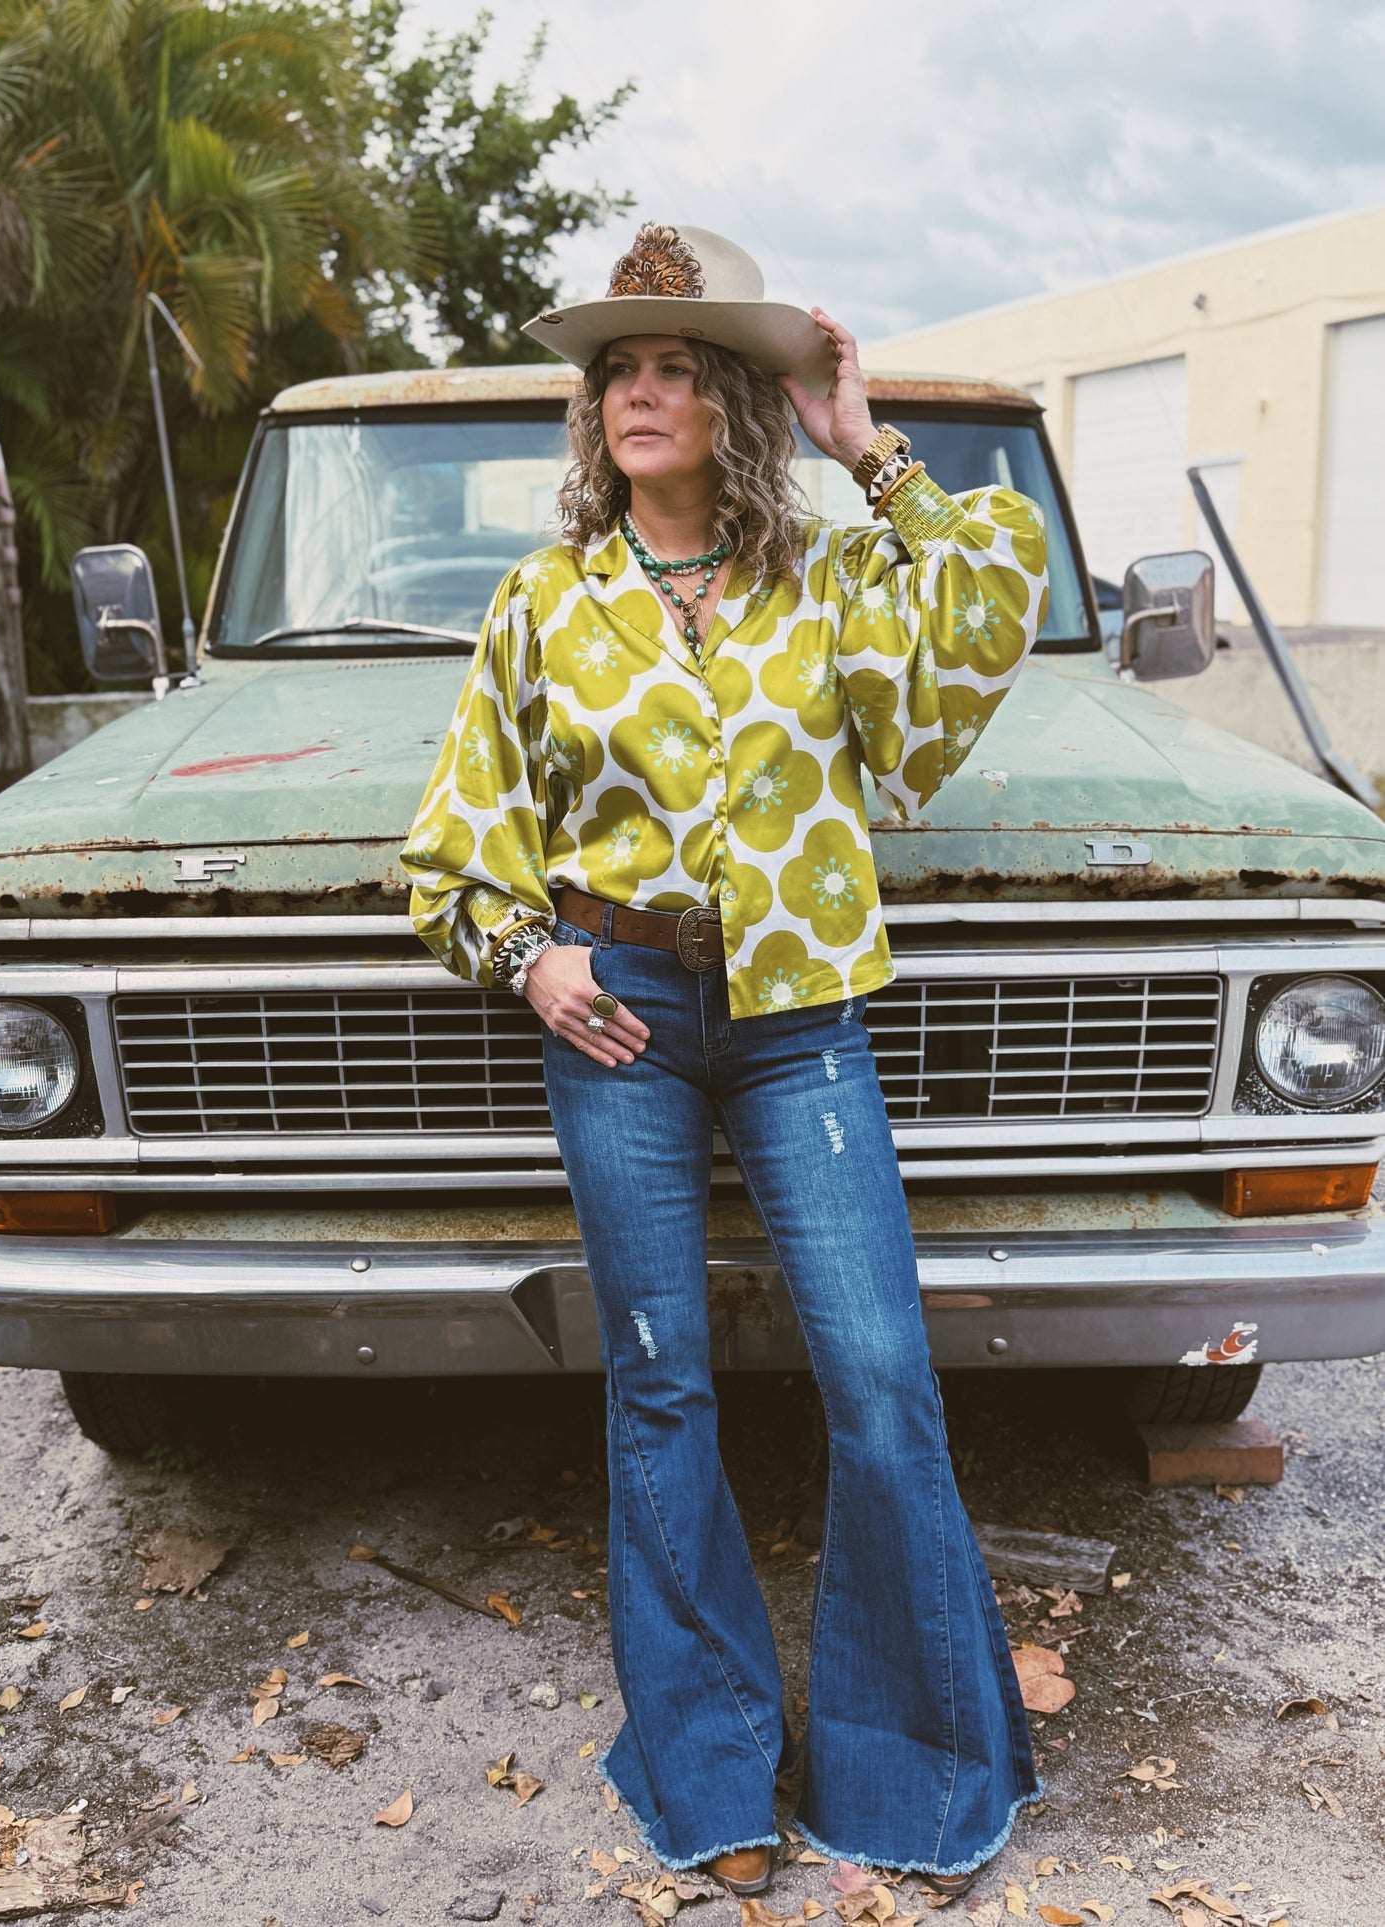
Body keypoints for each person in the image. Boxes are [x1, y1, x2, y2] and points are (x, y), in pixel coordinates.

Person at [402, 223, 1049, 1900]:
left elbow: (989, 610)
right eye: (618, 368)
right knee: (659, 1382)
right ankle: (709, 1774)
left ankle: (910, 1773)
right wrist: (527, 955)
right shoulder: (544, 598)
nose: (639, 392)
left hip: (797, 1023)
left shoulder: (824, 577)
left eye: (679, 367)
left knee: (880, 1379)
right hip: (617, 1013)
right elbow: (454, 841)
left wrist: (866, 443)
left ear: (735, 404)